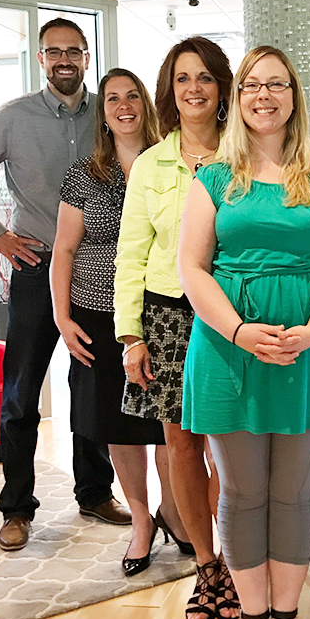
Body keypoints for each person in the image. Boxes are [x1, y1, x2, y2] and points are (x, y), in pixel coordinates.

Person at [178, 46, 310, 619]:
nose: (263, 95)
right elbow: (192, 268)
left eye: (276, 85)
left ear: (293, 97)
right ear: (239, 96)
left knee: (294, 493)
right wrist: (236, 328)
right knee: (243, 491)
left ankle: (287, 616)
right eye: (253, 84)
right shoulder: (210, 180)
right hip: (229, 347)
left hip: (308, 348)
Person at [0, 18, 130, 553]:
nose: (65, 60)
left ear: (88, 56)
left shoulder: (109, 113)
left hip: (97, 271)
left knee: (92, 385)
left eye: (74, 50)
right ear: (42, 59)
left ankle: (95, 491)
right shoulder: (13, 118)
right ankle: (16, 508)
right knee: (21, 394)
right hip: (35, 267)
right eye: (55, 52)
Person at [114, 38, 239, 619]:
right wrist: (131, 337)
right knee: (182, 446)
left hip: (233, 314)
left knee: (232, 449)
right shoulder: (150, 164)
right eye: (183, 78)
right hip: (167, 316)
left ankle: (240, 565)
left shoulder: (244, 157)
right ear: (171, 90)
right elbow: (131, 253)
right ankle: (206, 566)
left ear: (221, 89)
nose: (194, 88)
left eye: (205, 78)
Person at [51, 68, 193, 576]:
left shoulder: (170, 161)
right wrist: (62, 317)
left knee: (166, 426)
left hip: (159, 312)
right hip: (95, 313)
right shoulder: (85, 173)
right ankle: (140, 522)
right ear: (102, 111)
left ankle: (175, 513)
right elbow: (64, 250)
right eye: (113, 98)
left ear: (146, 104)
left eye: (132, 95)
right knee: (118, 427)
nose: (124, 105)